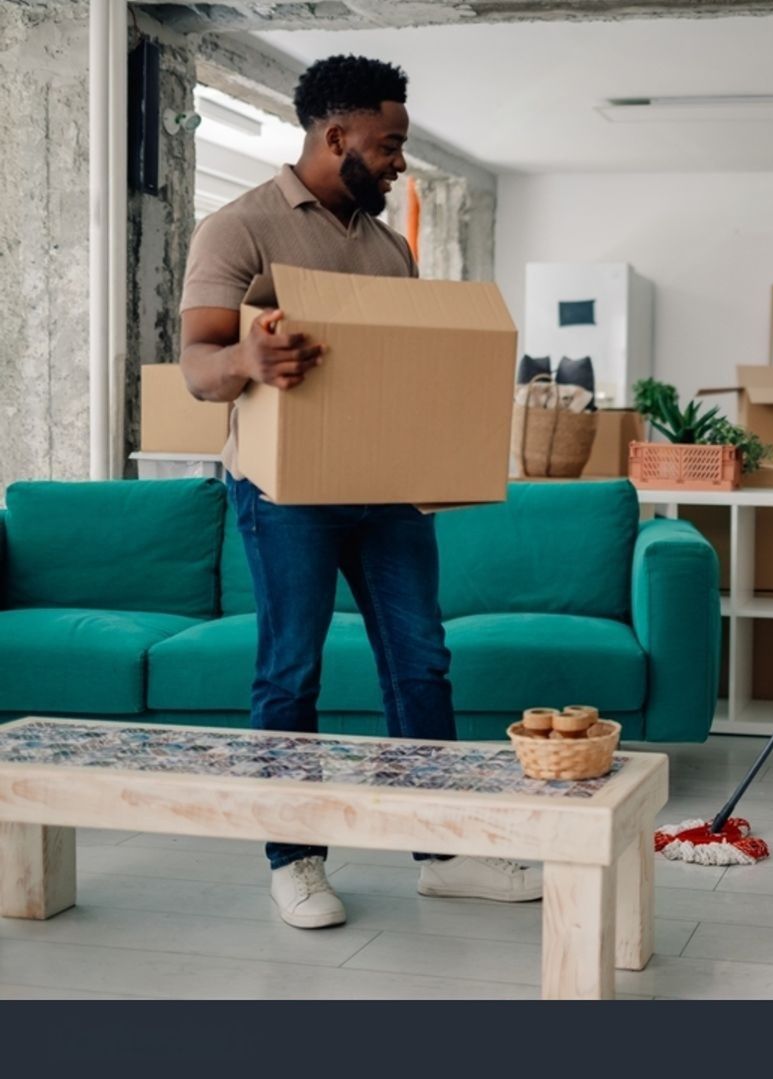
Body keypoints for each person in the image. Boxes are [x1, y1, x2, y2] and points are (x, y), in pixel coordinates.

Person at [178, 55, 542, 929]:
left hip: (386, 493)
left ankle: (443, 849)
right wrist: (247, 360)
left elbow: (398, 383)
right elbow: (198, 370)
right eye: (387, 146)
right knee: (288, 673)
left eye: (402, 147)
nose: (399, 163)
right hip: (285, 495)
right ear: (334, 136)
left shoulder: (390, 249)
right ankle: (294, 860)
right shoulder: (240, 229)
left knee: (422, 664)